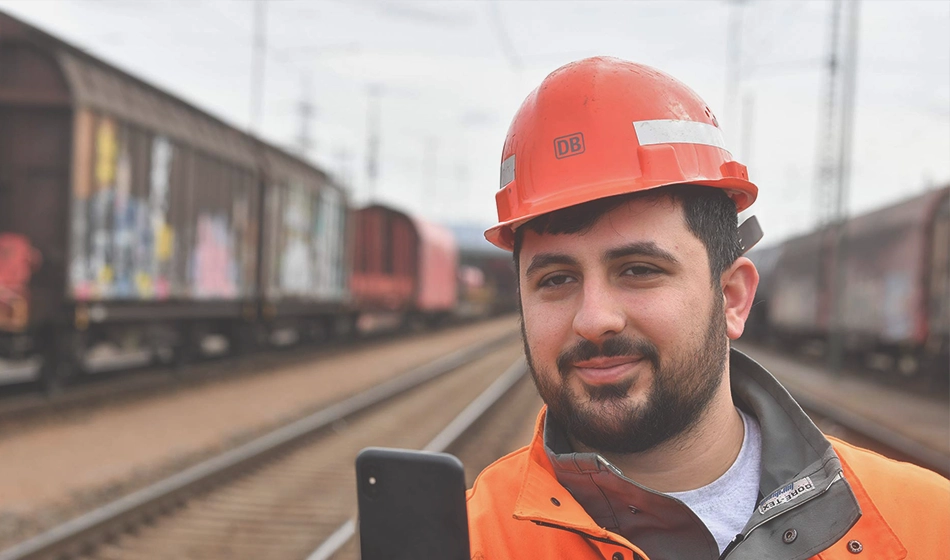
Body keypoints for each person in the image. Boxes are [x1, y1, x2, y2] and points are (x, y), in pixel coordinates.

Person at [467, 56, 949, 560]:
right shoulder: (462, 542)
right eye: (556, 279)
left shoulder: (927, 528)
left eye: (638, 270)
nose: (594, 319)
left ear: (733, 298)